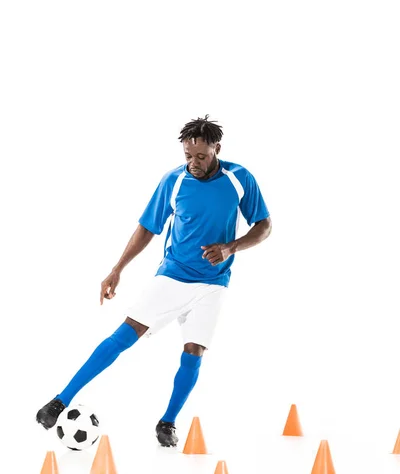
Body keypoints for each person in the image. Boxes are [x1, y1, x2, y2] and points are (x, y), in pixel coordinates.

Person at [36, 115, 272, 447]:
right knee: (124, 335)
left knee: (194, 351)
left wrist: (231, 247)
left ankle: (167, 423)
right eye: (188, 156)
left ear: (217, 148)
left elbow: (264, 225)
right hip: (173, 276)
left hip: (215, 283)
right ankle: (60, 399)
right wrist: (117, 269)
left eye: (201, 156)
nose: (193, 163)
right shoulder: (173, 181)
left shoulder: (240, 178)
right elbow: (147, 227)